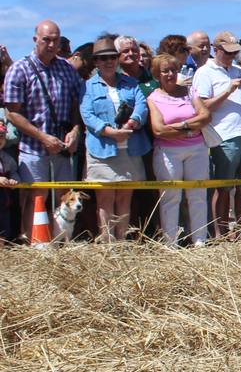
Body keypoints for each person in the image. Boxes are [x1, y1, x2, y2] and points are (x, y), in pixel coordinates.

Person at [3, 19, 83, 239]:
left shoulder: (67, 69)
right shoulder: (19, 69)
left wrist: (75, 130)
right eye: (46, 39)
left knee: (65, 198)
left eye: (55, 40)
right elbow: (12, 112)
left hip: (64, 148)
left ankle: (60, 245)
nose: (50, 44)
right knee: (35, 198)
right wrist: (42, 137)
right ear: (35, 39)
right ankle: (35, 247)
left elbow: (77, 103)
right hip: (33, 148)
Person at [79, 36, 149, 241]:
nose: (108, 61)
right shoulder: (88, 86)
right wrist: (108, 131)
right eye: (103, 58)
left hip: (130, 148)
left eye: (112, 57)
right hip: (101, 149)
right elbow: (87, 114)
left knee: (125, 198)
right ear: (96, 62)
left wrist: (131, 123)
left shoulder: (131, 83)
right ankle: (108, 242)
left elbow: (141, 105)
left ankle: (121, 242)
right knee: (105, 199)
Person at [192, 30, 241, 237]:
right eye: (227, 53)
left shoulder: (237, 69)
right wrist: (228, 91)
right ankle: (219, 232)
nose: (231, 56)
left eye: (233, 53)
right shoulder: (204, 72)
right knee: (223, 186)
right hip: (224, 135)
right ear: (216, 50)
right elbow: (202, 107)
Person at [146, 53, 210, 246]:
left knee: (197, 195)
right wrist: (190, 127)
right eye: (165, 71)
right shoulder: (154, 98)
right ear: (157, 74)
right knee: (170, 197)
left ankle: (200, 240)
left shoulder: (190, 91)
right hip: (167, 152)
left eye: (173, 70)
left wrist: (178, 127)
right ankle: (170, 243)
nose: (170, 74)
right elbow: (158, 130)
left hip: (197, 149)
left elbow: (205, 116)